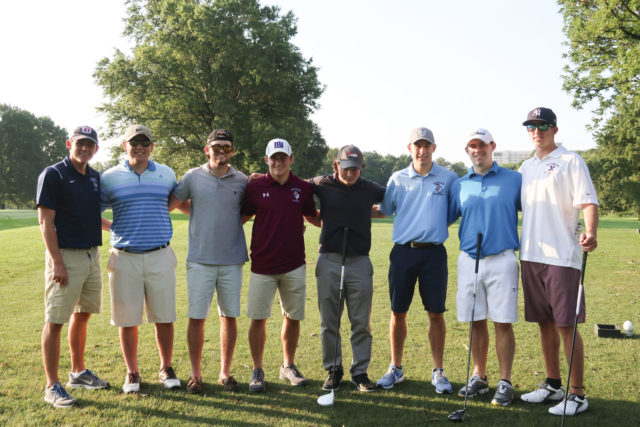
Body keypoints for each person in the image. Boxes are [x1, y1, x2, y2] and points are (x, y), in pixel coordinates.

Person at [518, 107, 599, 416]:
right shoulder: (525, 167)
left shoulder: (571, 161)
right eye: (531, 126)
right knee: (545, 323)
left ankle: (577, 394)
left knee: (567, 326)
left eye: (542, 125)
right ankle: (553, 384)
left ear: (554, 128)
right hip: (531, 256)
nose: (536, 130)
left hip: (562, 258)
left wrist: (590, 231)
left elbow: (588, 201)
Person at [101, 124, 181, 394]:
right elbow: (92, 210)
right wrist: (111, 226)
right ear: (125, 145)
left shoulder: (167, 173)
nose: (139, 147)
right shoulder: (109, 177)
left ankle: (166, 367)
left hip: (160, 254)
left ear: (152, 146)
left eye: (144, 142)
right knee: (127, 319)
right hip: (125, 257)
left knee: (164, 316)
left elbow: (174, 202)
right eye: (134, 142)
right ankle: (132, 372)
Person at [376, 127, 457, 393]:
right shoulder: (397, 178)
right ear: (409, 148)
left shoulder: (448, 178)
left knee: (436, 312)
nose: (422, 150)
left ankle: (438, 370)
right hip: (403, 252)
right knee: (398, 311)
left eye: (427, 145)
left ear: (434, 148)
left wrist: (432, 226)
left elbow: (453, 211)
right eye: (417, 145)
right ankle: (396, 368)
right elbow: (386, 209)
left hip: (434, 253)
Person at [169, 129, 248, 394]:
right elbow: (174, 203)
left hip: (232, 259)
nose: (221, 151)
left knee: (229, 316)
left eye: (226, 147)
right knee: (196, 317)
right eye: (216, 147)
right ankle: (195, 375)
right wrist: (198, 211)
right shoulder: (192, 176)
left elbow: (246, 212)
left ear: (232, 151)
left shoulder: (242, 180)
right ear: (207, 149)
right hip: (200, 259)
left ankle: (225, 374)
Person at [36, 126, 110, 408]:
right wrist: (57, 262)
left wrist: (110, 226)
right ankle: (51, 386)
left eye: (90, 144)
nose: (85, 148)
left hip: (92, 255)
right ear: (69, 144)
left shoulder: (93, 176)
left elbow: (90, 213)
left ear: (96, 149)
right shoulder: (53, 174)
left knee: (83, 314)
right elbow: (45, 222)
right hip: (65, 256)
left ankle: (77, 373)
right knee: (55, 321)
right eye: (80, 143)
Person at [448, 128, 521, 407]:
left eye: (482, 145)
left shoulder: (514, 179)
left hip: (502, 259)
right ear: (467, 151)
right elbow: (446, 217)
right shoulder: (459, 184)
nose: (477, 150)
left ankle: (505, 381)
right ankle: (479, 376)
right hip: (469, 259)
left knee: (502, 321)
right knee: (475, 321)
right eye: (472, 146)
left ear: (492, 146)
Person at [240, 138, 317, 392]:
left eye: (283, 157)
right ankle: (257, 369)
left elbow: (312, 217)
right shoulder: (254, 187)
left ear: (291, 159)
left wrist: (340, 224)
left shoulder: (302, 188)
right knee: (258, 318)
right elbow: (240, 217)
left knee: (292, 316)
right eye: (274, 158)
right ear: (266, 161)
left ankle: (288, 365)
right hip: (262, 265)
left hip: (294, 264)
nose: (278, 162)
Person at [308, 145, 386, 392]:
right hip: (329, 259)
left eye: (355, 169)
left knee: (360, 321)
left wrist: (372, 211)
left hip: (360, 261)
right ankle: (333, 369)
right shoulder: (323, 183)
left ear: (361, 168)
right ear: (336, 165)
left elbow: (395, 198)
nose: (350, 173)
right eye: (346, 168)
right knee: (329, 320)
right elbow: (293, 185)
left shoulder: (370, 188)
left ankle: (360, 372)